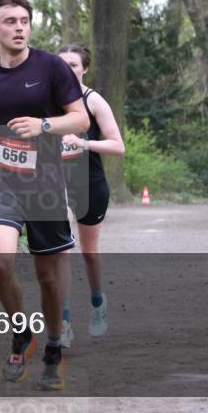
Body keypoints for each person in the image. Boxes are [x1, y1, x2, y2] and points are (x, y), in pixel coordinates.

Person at [0, 0, 89, 391]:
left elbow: (80, 119)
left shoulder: (51, 67)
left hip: (45, 183)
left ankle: (51, 346)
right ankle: (20, 334)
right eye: (10, 22)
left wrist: (44, 126)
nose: (19, 28)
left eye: (24, 21)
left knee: (49, 279)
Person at [56, 44, 125, 346]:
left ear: (84, 68)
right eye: (62, 65)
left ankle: (98, 302)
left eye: (73, 65)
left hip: (89, 182)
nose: (67, 70)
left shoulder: (93, 100)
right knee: (60, 251)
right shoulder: (46, 100)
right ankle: (65, 323)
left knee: (88, 252)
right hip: (55, 183)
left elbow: (117, 146)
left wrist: (83, 144)